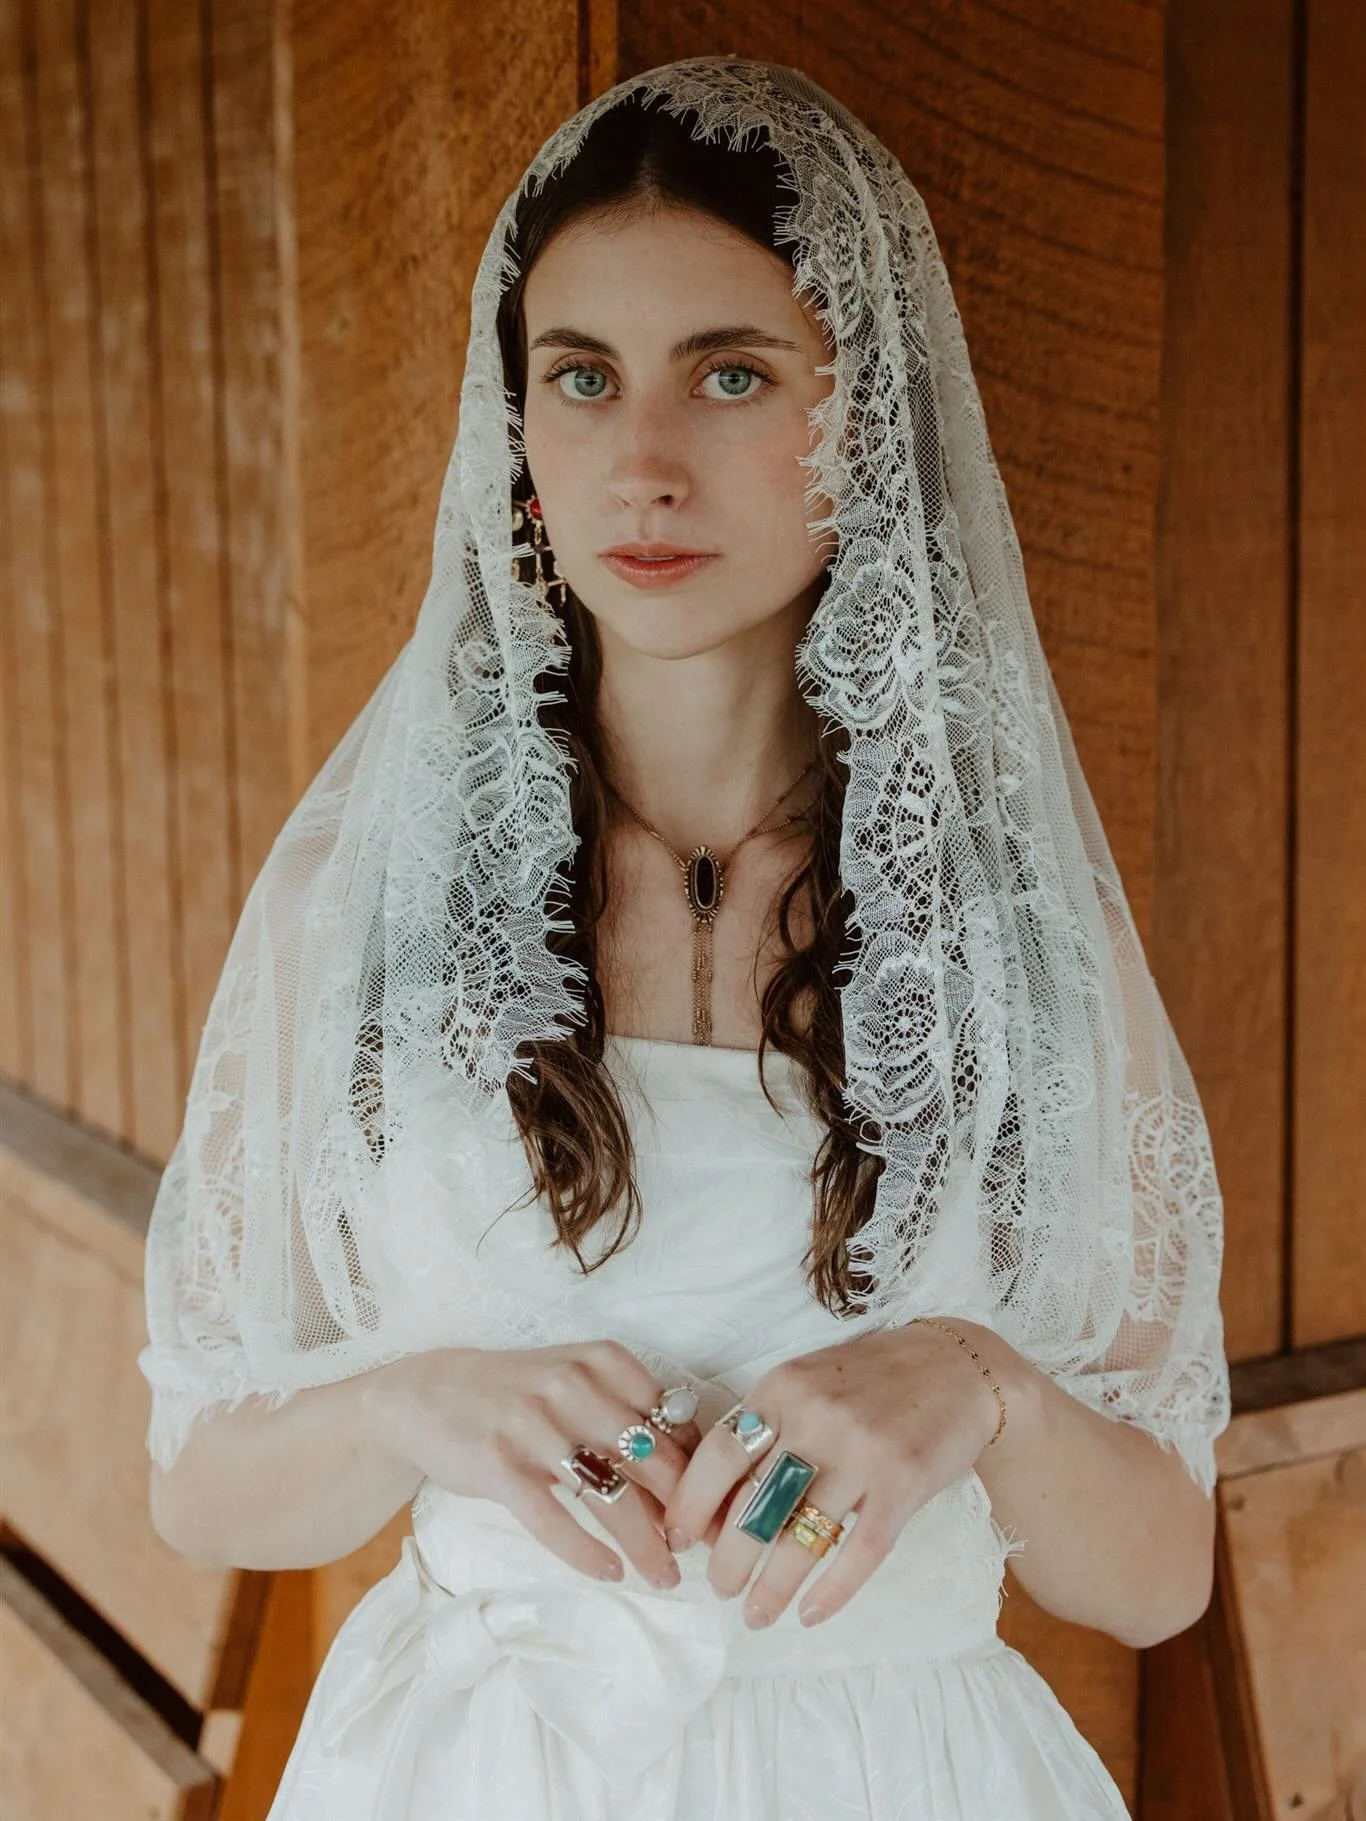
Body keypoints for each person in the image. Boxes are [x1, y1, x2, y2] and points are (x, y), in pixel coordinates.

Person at [139, 56, 1231, 1820]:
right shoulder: (377, 891)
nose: (639, 464)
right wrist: (409, 1408)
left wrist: (983, 1392)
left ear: (863, 420)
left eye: (731, 376)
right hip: (471, 1773)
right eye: (580, 380)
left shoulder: (1004, 928)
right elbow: (198, 1491)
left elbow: (1155, 1572)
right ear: (518, 440)